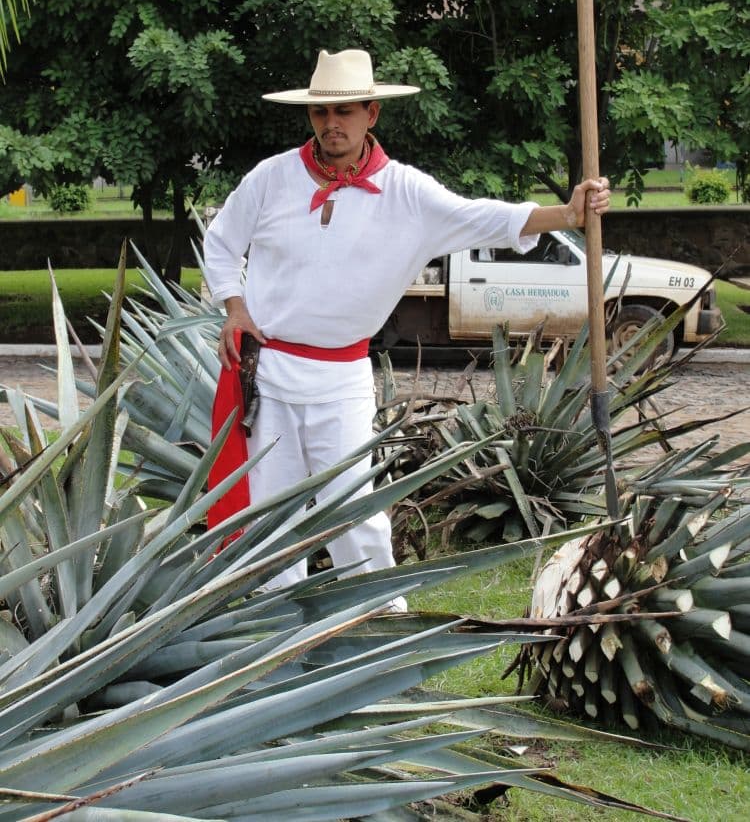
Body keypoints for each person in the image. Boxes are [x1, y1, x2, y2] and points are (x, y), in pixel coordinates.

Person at [203, 48, 610, 606]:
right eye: (322, 113)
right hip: (269, 371)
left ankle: (382, 622)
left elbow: (481, 216)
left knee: (353, 509)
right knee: (272, 508)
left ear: (371, 113)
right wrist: (235, 307)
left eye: (345, 111)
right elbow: (222, 241)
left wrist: (566, 214)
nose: (331, 124)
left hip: (341, 378)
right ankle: (274, 625)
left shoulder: (407, 193)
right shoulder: (271, 179)